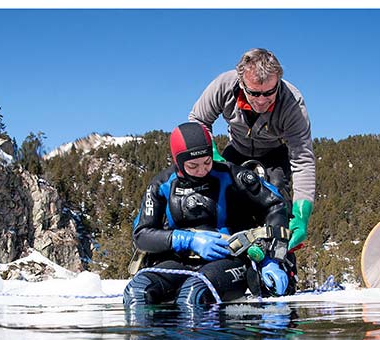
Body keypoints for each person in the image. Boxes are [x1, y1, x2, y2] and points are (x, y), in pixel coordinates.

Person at [124, 121, 293, 312]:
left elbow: (276, 205)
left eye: (207, 161)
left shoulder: (231, 175)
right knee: (136, 293)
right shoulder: (161, 185)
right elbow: (141, 236)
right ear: (178, 162)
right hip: (178, 261)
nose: (202, 170)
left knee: (194, 295)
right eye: (193, 165)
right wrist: (188, 240)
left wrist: (272, 259)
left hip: (227, 261)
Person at [189, 48, 315, 253]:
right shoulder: (223, 85)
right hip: (236, 149)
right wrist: (212, 154)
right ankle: (226, 255)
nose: (262, 100)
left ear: (278, 83)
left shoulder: (293, 103)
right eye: (254, 93)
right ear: (241, 83)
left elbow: (302, 160)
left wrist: (302, 214)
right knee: (221, 195)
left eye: (269, 93)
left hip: (274, 153)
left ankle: (281, 261)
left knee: (279, 200)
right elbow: (198, 120)